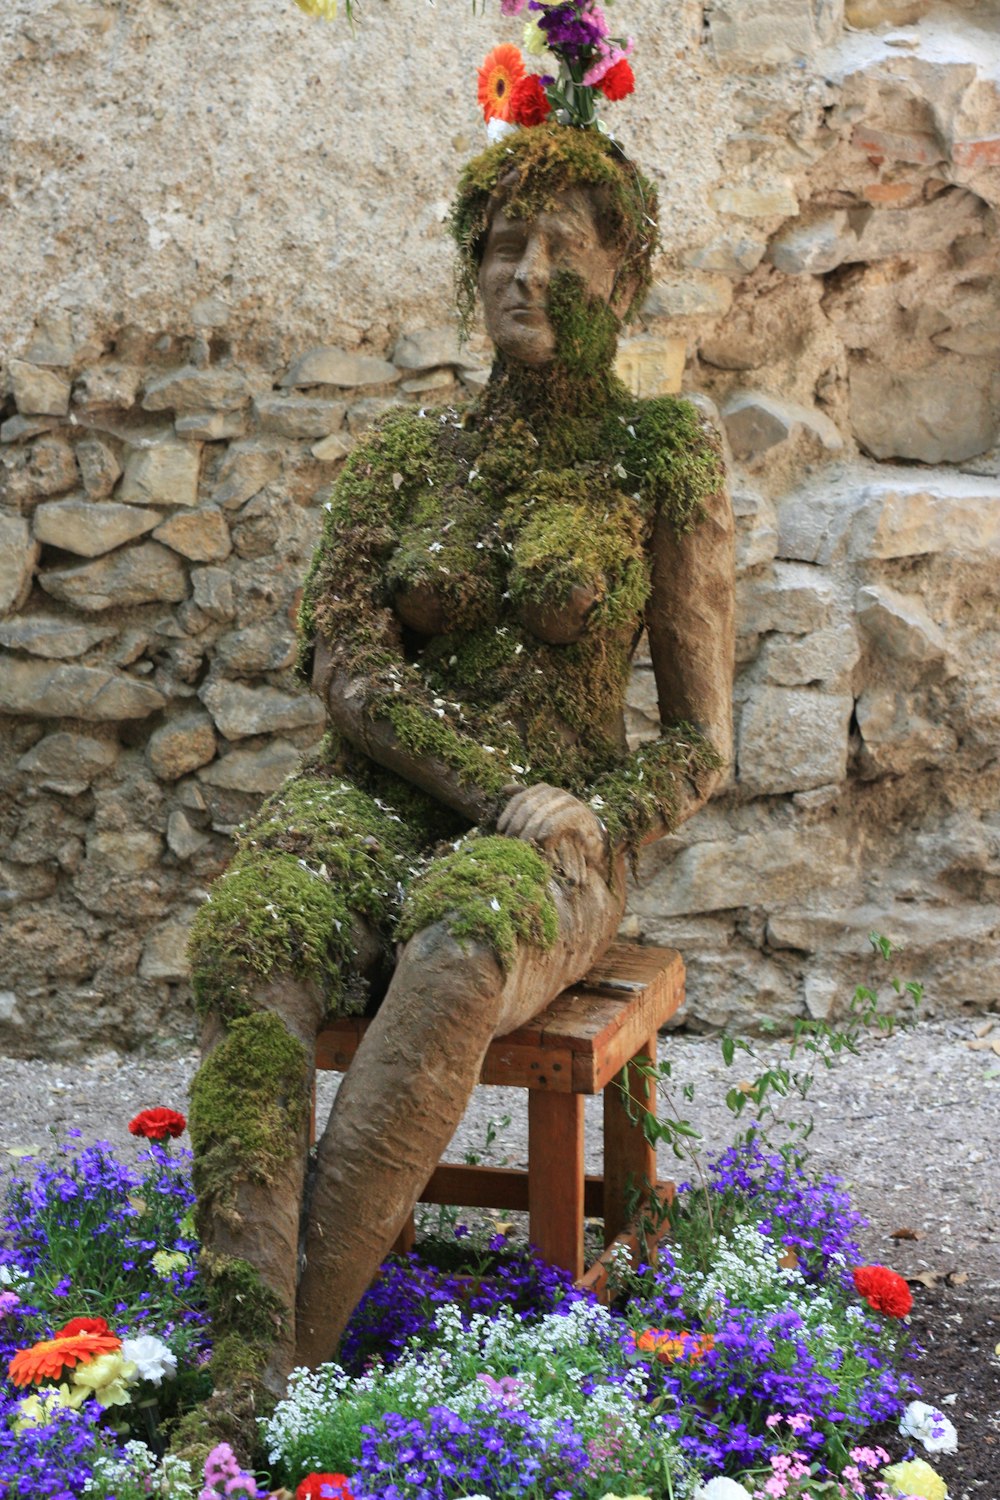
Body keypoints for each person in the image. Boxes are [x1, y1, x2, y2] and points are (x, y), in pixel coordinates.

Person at [186, 123, 734, 1404]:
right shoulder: (405, 457)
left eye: (560, 247)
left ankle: (270, 1377)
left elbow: (703, 741)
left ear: (625, 276)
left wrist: (594, 818)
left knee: (454, 942)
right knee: (246, 937)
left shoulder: (661, 453)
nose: (523, 272)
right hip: (369, 802)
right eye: (499, 246)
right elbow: (348, 671)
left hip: (557, 834)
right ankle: (244, 1352)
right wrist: (495, 785)